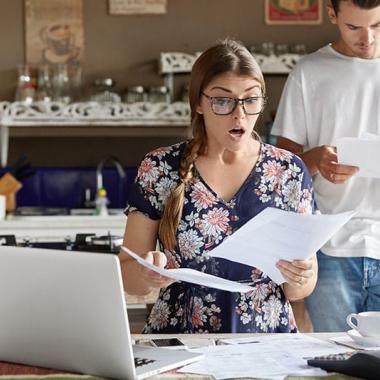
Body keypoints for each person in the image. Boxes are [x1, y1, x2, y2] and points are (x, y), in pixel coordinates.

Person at [119, 39, 317, 334]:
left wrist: (302, 276)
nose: (240, 115)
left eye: (251, 99)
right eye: (222, 101)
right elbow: (126, 274)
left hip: (267, 341)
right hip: (181, 337)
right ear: (198, 103)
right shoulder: (160, 167)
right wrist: (147, 274)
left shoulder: (289, 171)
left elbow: (299, 289)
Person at [271, 0, 380, 332]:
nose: (368, 39)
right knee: (338, 362)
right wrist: (315, 160)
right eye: (354, 27)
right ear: (332, 15)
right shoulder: (309, 72)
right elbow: (280, 170)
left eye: (377, 26)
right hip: (329, 248)